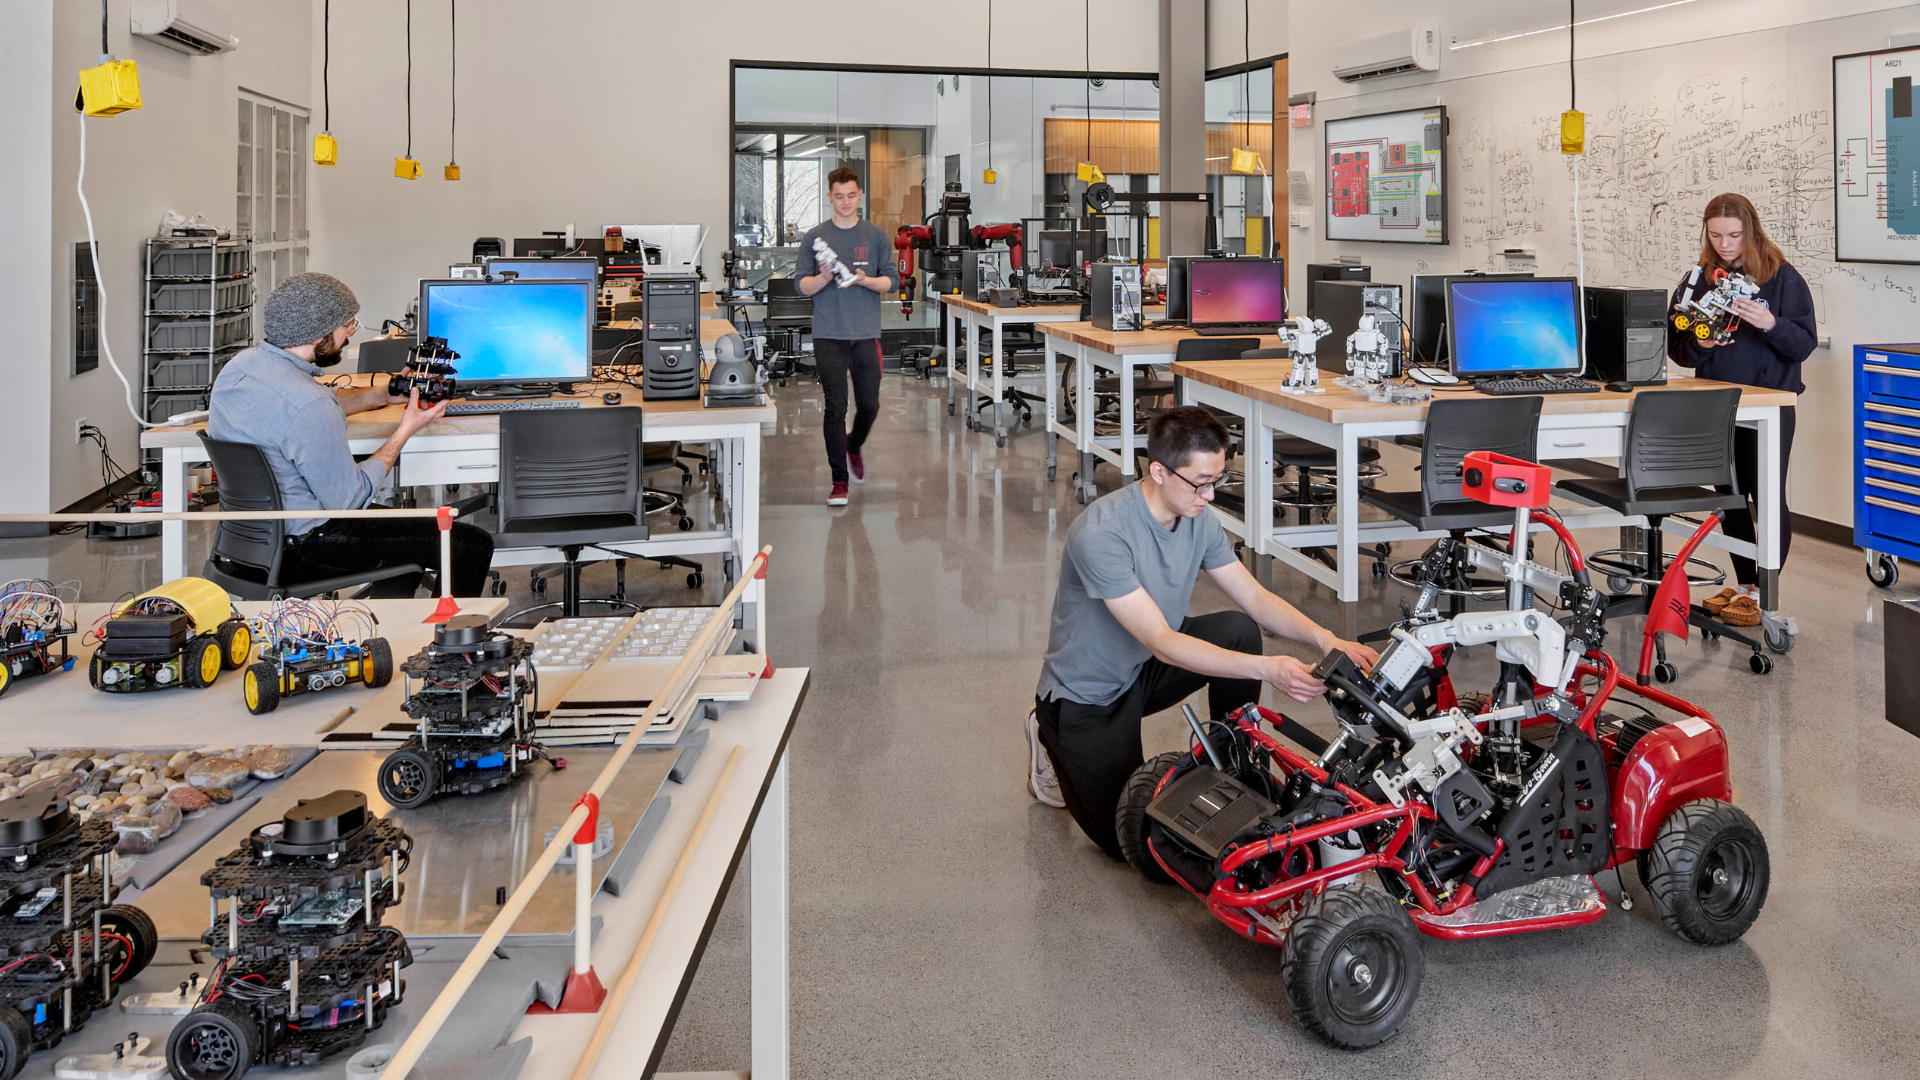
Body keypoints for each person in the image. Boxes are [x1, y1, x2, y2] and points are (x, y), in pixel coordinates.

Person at [1026, 407, 1377, 860]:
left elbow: (1255, 599)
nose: (1210, 496)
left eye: (1218, 480)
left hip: (1144, 669)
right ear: (1158, 471)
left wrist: (1325, 637)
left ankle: (1234, 763)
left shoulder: (1198, 516)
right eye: (1200, 483)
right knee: (1135, 843)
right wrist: (1268, 669)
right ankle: (1047, 733)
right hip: (1089, 694)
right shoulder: (1101, 534)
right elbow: (1162, 641)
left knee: (1238, 630)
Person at [208, 272, 495, 597]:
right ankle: (448, 630)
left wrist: (383, 394)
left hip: (249, 543)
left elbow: (300, 409)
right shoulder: (309, 405)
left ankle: (394, 622)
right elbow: (351, 500)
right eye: (347, 325)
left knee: (409, 536)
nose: (349, 335)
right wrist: (405, 431)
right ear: (318, 333)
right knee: (469, 543)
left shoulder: (240, 368)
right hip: (305, 548)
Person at [1666, 193, 1817, 627]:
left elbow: (1802, 344)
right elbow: (1678, 348)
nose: (1725, 245)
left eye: (1733, 235)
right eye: (1716, 236)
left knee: (1766, 496)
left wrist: (1770, 324)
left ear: (1751, 231)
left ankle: (1765, 592)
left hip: (1769, 403)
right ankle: (1746, 584)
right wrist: (1702, 343)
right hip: (1718, 404)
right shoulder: (1698, 280)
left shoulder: (1783, 278)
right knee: (1730, 496)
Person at [794, 167, 898, 507]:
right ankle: (839, 481)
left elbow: (891, 282)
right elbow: (801, 285)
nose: (845, 202)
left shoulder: (875, 236)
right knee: (835, 408)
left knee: (870, 405)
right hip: (829, 335)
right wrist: (824, 278)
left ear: (860, 194)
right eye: (839, 196)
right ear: (830, 197)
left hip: (866, 334)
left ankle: (854, 444)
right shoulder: (815, 237)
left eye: (851, 195)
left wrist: (864, 280)